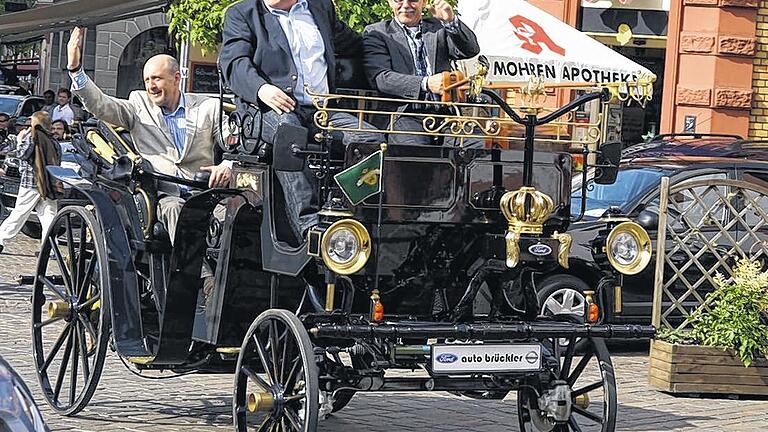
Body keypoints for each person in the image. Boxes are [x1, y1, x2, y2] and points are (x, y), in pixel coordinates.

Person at [67, 26, 231, 291]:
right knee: (177, 210)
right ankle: (205, 278)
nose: (151, 86)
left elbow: (233, 142)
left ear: (177, 78)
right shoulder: (138, 105)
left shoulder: (208, 107)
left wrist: (227, 164)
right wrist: (76, 71)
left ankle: (236, 281)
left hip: (207, 192)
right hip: (164, 197)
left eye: (157, 79)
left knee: (238, 214)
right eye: (147, 80)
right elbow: (102, 105)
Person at [219, 0, 383, 240]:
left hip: (320, 111)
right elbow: (233, 63)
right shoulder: (243, 13)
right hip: (265, 111)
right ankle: (309, 227)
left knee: (371, 140)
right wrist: (262, 89)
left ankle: (341, 209)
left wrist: (390, 36)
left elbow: (355, 43)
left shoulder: (320, 7)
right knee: (290, 131)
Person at [363, 0, 480, 146]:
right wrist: (426, 83)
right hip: (404, 115)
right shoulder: (377, 33)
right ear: (390, 3)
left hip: (446, 115)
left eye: (413, 0)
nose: (406, 5)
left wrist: (451, 21)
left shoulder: (438, 27)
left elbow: (471, 50)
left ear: (423, 2)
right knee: (417, 154)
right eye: (398, 0)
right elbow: (381, 78)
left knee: (475, 146)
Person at [0, 111, 61, 254]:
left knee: (19, 213)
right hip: (48, 184)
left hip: (31, 182)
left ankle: (1, 238)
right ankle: (50, 248)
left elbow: (22, 155)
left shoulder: (32, 137)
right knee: (49, 217)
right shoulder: (53, 140)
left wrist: (20, 139)